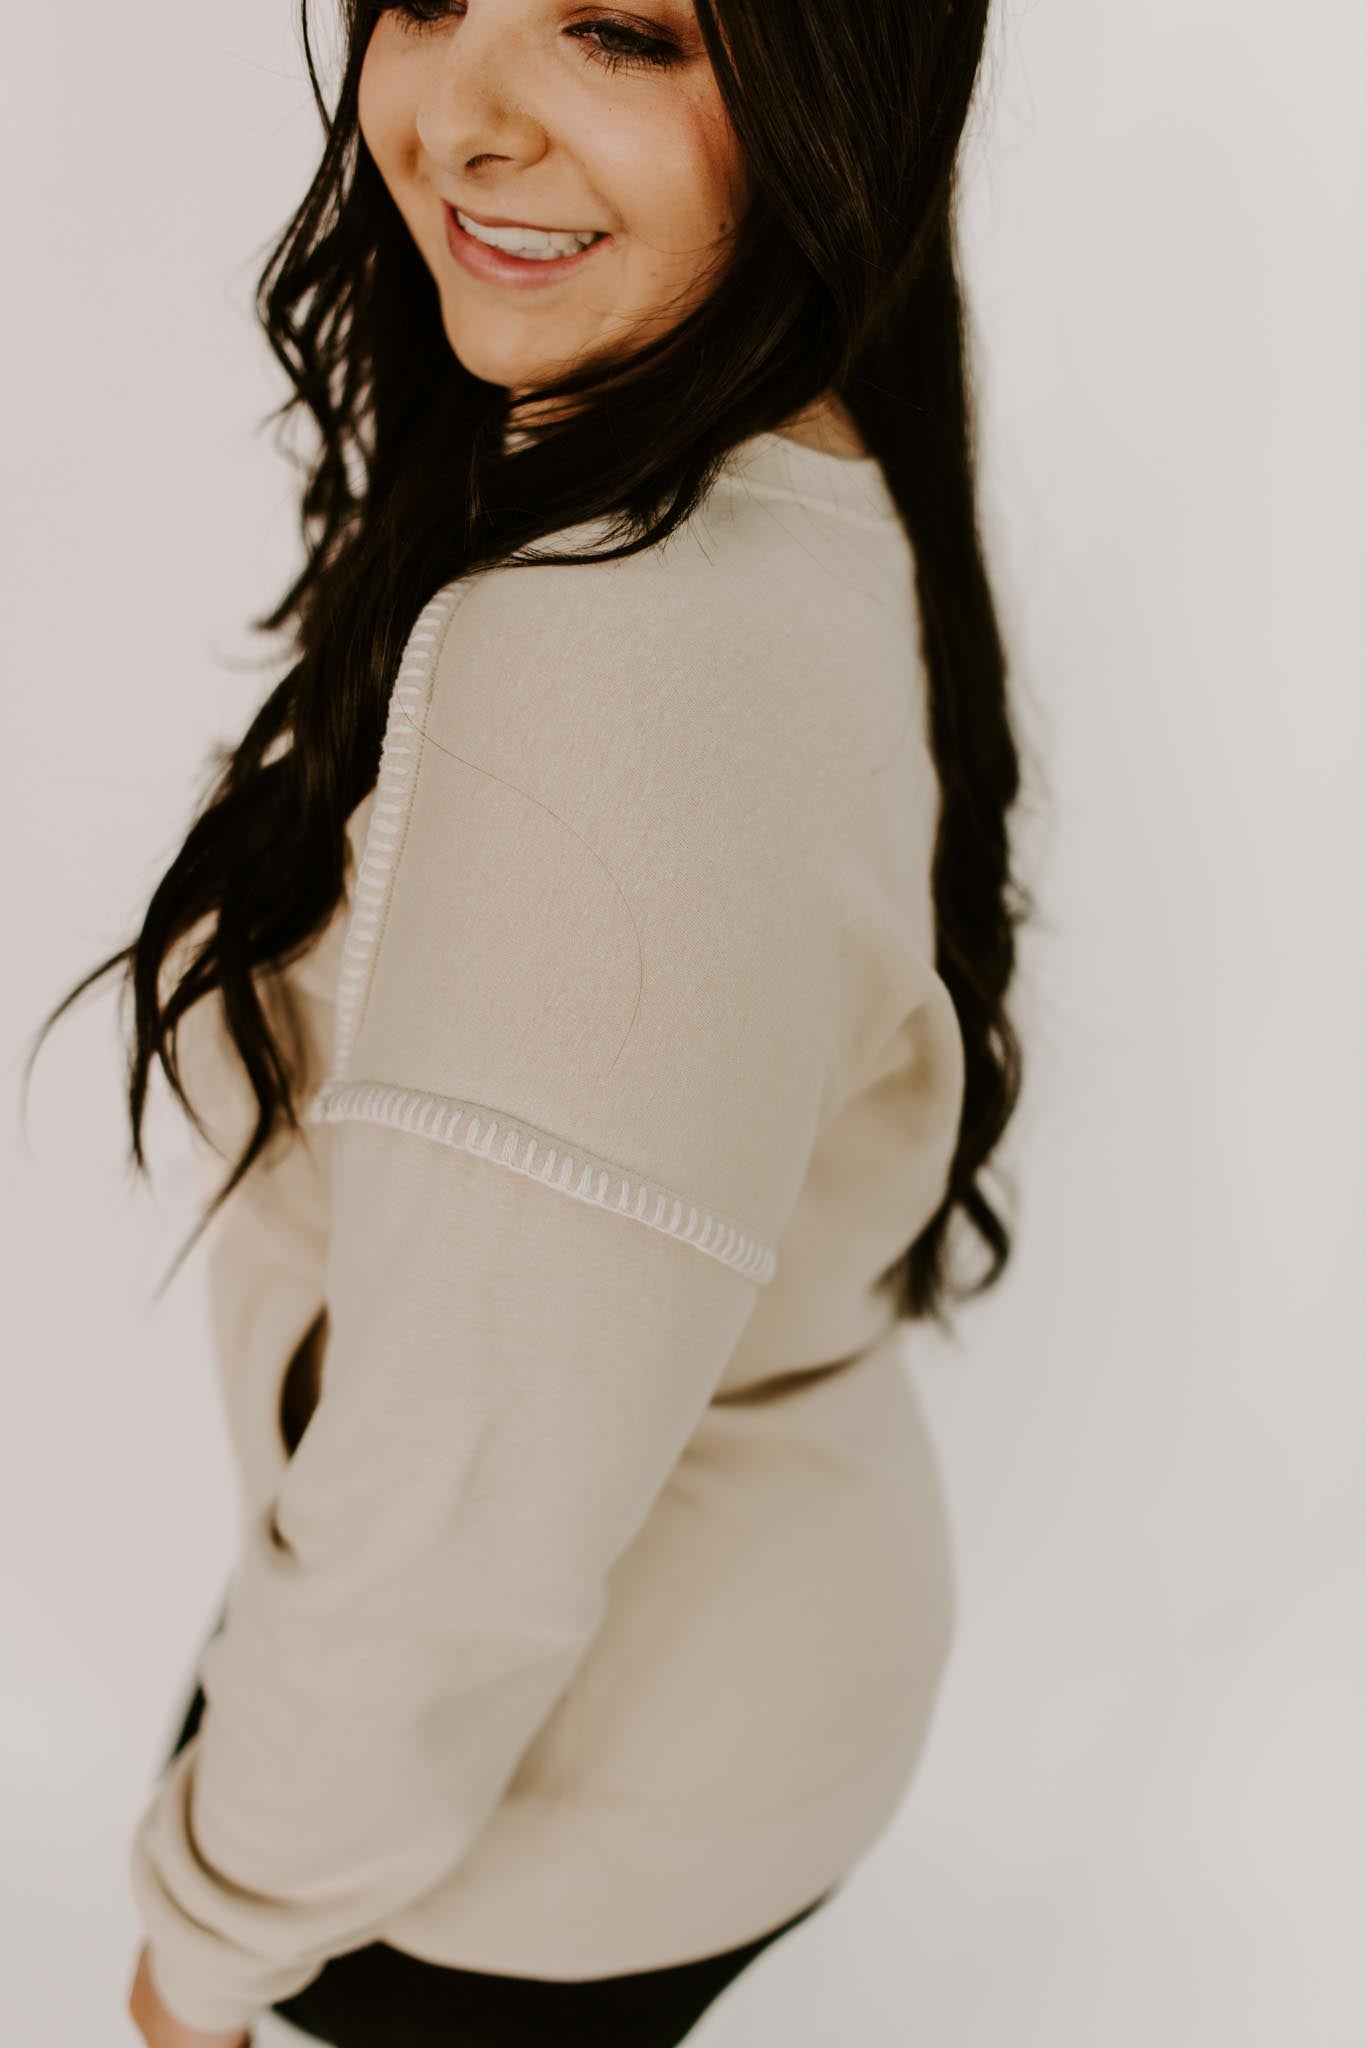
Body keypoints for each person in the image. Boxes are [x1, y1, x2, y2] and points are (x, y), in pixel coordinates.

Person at [28, 0, 1030, 2041]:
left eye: (617, 31)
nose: (463, 119)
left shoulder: (605, 657)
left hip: (543, 1828)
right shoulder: (804, 448)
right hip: (750, 1666)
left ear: (842, 91)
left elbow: (447, 1551)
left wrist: (199, 1956)